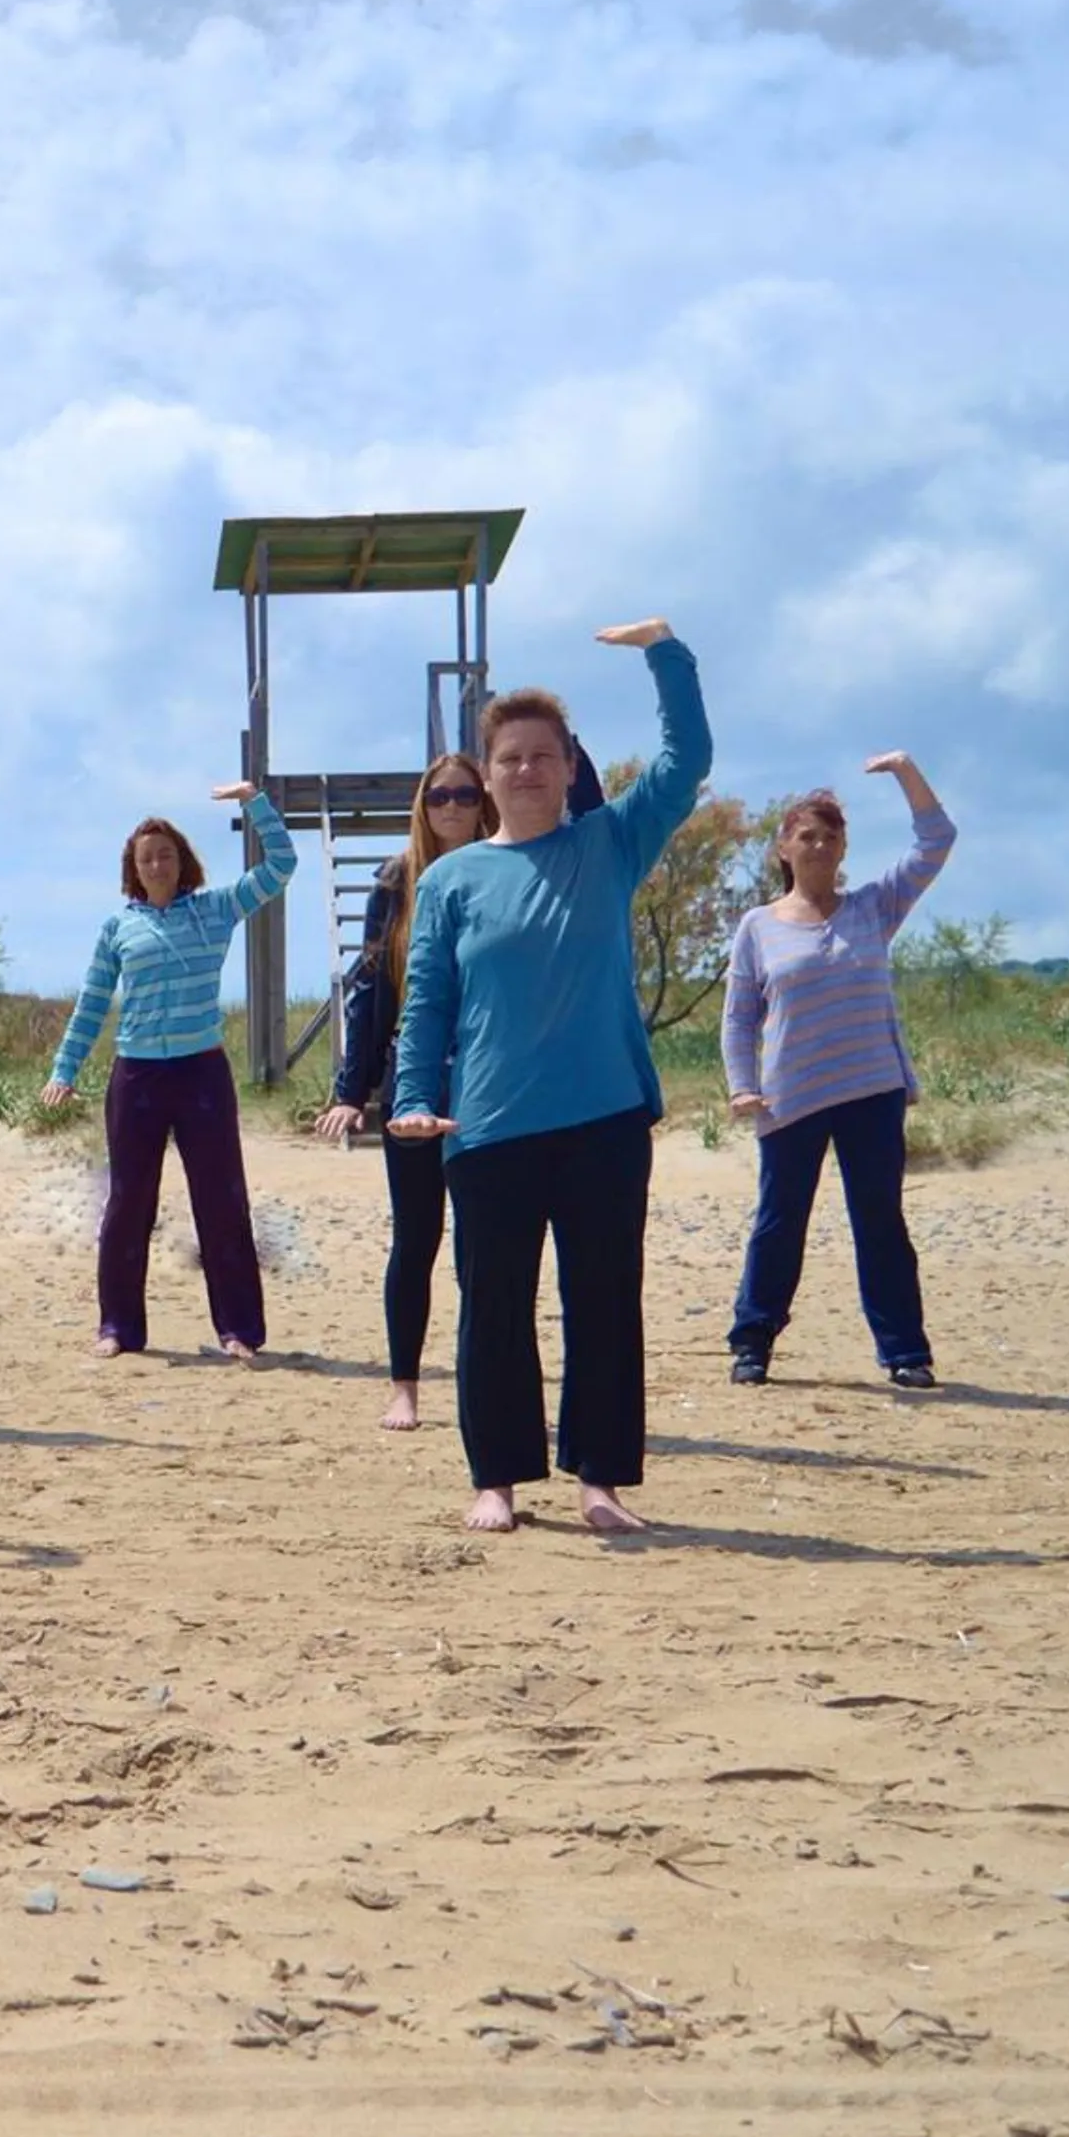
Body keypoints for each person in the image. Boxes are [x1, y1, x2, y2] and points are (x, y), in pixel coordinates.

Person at [388, 619, 712, 1535]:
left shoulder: (611, 843)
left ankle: (600, 1482)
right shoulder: (451, 882)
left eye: (543, 755)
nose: (526, 768)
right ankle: (495, 1480)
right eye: (510, 757)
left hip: (604, 1118)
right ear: (486, 775)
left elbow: (687, 762)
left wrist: (666, 653)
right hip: (489, 1126)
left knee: (603, 1302)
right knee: (493, 1307)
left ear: (571, 767)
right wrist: (412, 1097)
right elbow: (428, 1002)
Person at [320, 741, 608, 1426]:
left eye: (464, 794)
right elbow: (371, 992)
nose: (451, 806)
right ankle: (404, 1385)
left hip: (492, 1081)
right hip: (417, 1082)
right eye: (438, 795)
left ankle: (488, 1389)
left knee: (485, 1248)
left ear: (485, 801)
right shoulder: (397, 881)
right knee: (415, 1237)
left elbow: (589, 813)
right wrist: (352, 1090)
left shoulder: (512, 867)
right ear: (422, 807)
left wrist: (554, 739)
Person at [721, 753, 958, 1388]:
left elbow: (936, 841)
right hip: (790, 1097)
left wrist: (906, 772)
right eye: (807, 835)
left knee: (880, 1219)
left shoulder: (873, 907)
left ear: (844, 846)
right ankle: (752, 1341)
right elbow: (740, 1017)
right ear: (784, 847)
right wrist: (742, 1085)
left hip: (870, 1089)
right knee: (779, 1222)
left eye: (831, 836)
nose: (820, 846)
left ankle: (905, 1351)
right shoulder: (758, 927)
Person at [39, 783, 295, 1360]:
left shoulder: (215, 909)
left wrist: (254, 802)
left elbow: (282, 866)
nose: (156, 865)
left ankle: (239, 1330)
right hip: (137, 1078)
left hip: (202, 1074)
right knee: (129, 1203)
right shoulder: (118, 928)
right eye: (146, 858)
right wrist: (64, 1069)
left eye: (166, 855)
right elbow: (92, 1001)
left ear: (183, 862)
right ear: (133, 869)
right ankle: (118, 1328)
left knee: (221, 1201)